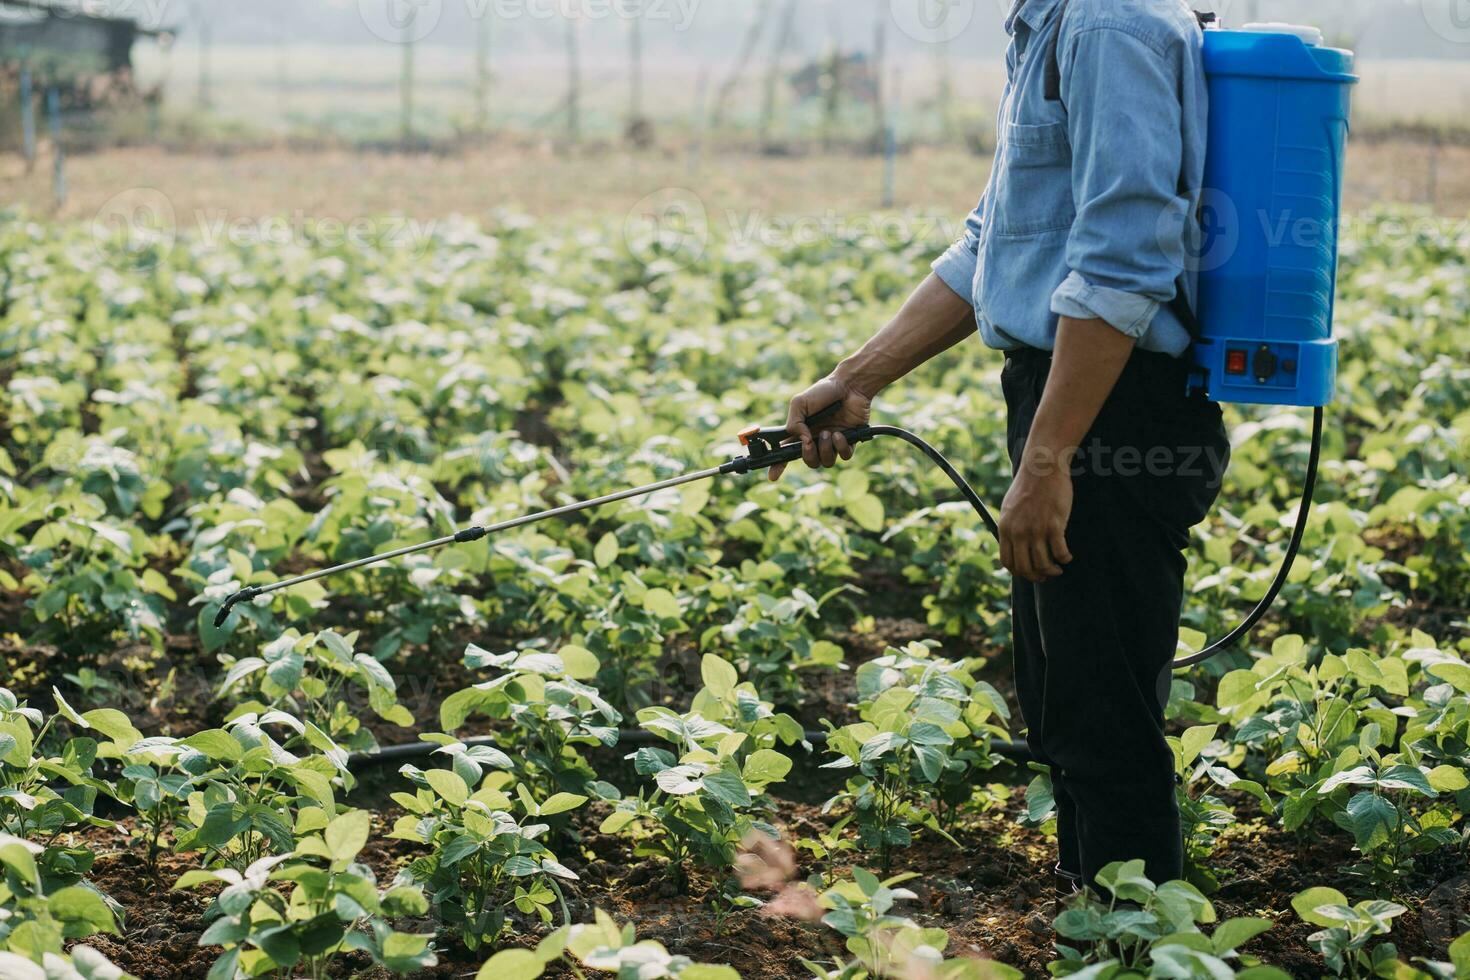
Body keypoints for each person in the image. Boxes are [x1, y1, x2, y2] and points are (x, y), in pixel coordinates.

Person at [769, 0, 1231, 893]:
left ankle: (1136, 941)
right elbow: (997, 239)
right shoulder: (1049, 23)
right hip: (1070, 396)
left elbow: (1125, 259)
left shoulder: (1107, 26)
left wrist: (1051, 457)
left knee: (1105, 717)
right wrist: (860, 378)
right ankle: (1095, 914)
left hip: (1113, 408)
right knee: (1065, 705)